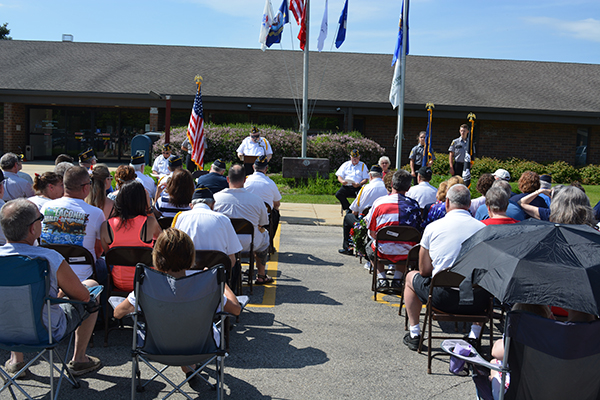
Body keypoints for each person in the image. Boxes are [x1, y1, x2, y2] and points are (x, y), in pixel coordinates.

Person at [113, 228, 241, 378]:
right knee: (187, 325)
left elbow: (118, 313)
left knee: (169, 324)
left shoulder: (147, 286)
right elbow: (236, 310)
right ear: (191, 256)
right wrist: (220, 283)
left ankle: (188, 367)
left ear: (157, 257)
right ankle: (189, 365)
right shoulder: (205, 286)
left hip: (157, 347)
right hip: (200, 347)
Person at [0, 199, 102, 377]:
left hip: (3, 333)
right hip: (45, 331)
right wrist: (60, 295)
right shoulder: (49, 258)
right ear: (33, 228)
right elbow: (83, 297)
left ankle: (16, 360)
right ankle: (79, 358)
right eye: (41, 218)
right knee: (92, 287)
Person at [403, 184, 487, 350]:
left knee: (410, 277)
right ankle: (474, 335)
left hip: (442, 297)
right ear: (469, 204)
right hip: (475, 299)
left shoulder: (433, 228)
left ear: (446, 202)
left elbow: (424, 271)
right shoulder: (484, 229)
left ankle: (414, 333)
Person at [40, 166, 106, 283]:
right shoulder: (96, 213)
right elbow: (98, 249)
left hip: (49, 273)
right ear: (86, 187)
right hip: (82, 276)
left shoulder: (46, 207)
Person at [214, 165, 272, 285]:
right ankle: (261, 274)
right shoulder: (257, 200)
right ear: (245, 179)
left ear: (227, 179)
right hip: (248, 243)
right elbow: (263, 223)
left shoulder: (216, 198)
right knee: (265, 236)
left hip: (224, 244)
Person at [364, 169, 422, 289]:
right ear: (408, 187)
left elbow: (372, 232)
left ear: (391, 184)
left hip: (383, 250)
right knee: (403, 245)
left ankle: (381, 278)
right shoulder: (414, 205)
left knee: (369, 246)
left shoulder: (379, 203)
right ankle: (397, 278)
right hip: (407, 252)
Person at [100, 181, 161, 292]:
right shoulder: (150, 223)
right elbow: (162, 241)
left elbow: (108, 254)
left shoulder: (106, 226)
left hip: (119, 282)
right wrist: (149, 209)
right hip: (146, 281)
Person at [173, 185, 242, 269]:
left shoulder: (180, 218)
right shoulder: (223, 219)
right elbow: (232, 259)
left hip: (187, 275)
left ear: (191, 205)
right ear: (213, 204)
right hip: (216, 277)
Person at [339, 164, 388, 255]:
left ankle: (348, 247)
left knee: (348, 218)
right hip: (383, 221)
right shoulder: (387, 189)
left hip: (366, 222)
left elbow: (355, 210)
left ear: (370, 176)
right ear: (381, 175)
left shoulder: (365, 188)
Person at [244, 156, 282, 252]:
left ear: (253, 167)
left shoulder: (245, 181)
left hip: (246, 216)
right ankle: (269, 243)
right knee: (276, 213)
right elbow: (277, 203)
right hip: (264, 218)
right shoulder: (270, 183)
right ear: (266, 169)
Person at [335, 149, 369, 213]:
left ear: (359, 158)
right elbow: (339, 176)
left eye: (356, 159)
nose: (354, 160)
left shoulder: (363, 165)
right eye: (353, 158)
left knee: (362, 197)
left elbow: (366, 179)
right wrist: (342, 181)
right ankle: (348, 209)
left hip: (357, 187)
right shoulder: (345, 165)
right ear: (350, 157)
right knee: (338, 194)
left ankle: (358, 211)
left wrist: (359, 184)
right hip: (347, 186)